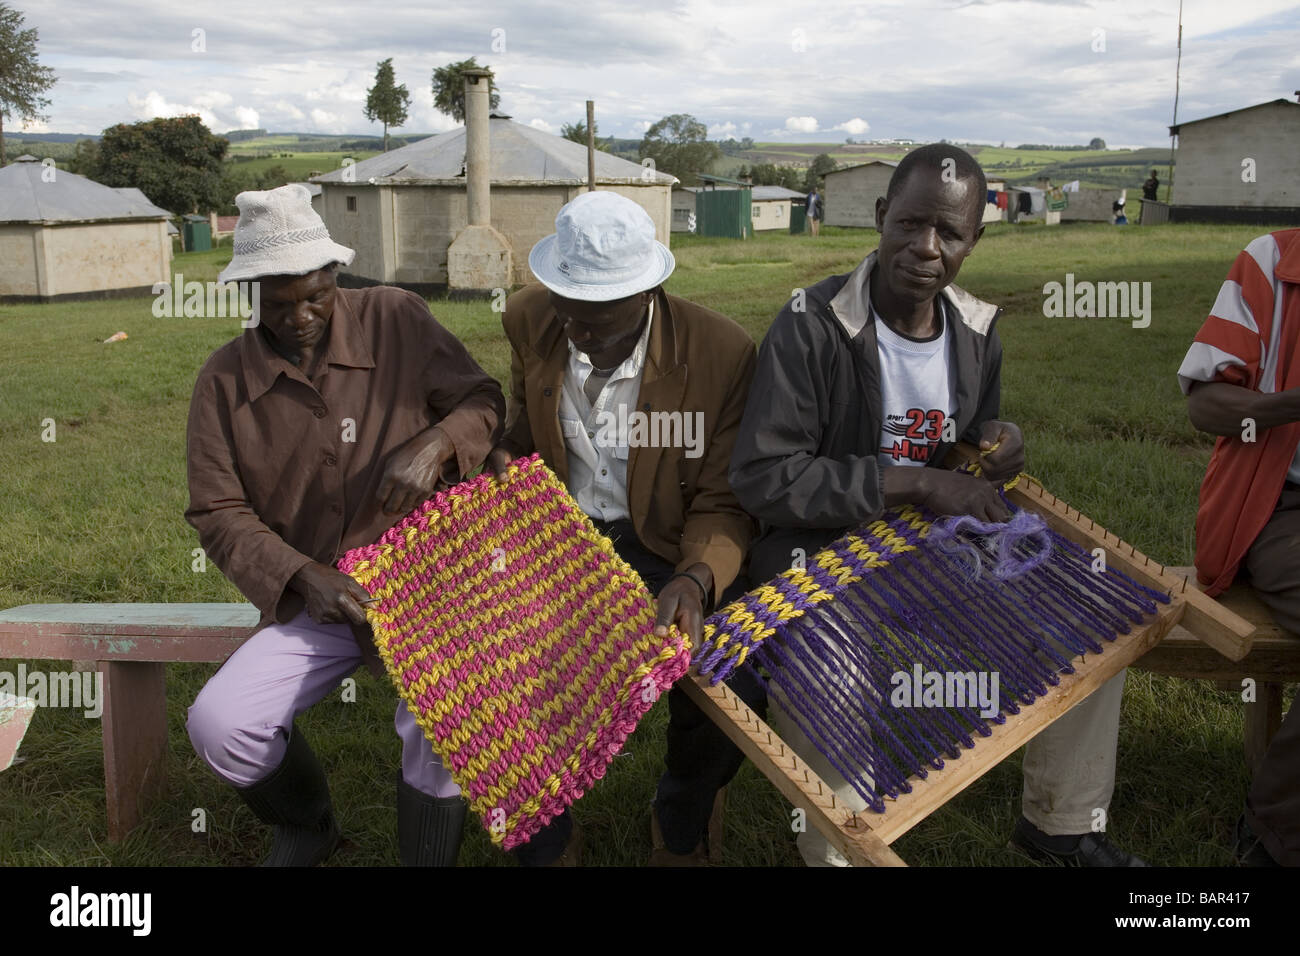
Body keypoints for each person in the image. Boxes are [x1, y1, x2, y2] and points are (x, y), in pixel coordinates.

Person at [729, 143, 1145, 867]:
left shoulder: (977, 334)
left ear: (973, 241)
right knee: (832, 675)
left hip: (931, 553)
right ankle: (843, 854)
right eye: (912, 224)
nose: (926, 248)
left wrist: (998, 449)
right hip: (817, 558)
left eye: (949, 234)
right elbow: (767, 476)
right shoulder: (811, 322)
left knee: (1089, 622)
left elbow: (963, 466)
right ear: (883, 216)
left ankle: (1063, 825)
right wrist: (916, 482)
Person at [184, 184, 505, 867]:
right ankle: (309, 824)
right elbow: (216, 511)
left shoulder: (397, 318)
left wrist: (437, 444)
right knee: (220, 724)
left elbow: (481, 399)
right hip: (320, 597)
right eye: (277, 305)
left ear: (335, 276)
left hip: (431, 582)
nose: (299, 318)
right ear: (248, 295)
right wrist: (303, 575)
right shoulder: (223, 383)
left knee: (441, 712)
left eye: (314, 297)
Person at [487, 190, 763, 865]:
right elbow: (527, 429)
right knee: (496, 662)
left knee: (731, 678)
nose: (580, 334)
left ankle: (680, 819)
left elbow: (724, 499)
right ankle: (546, 839)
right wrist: (502, 457)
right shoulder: (529, 319)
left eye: (601, 321)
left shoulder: (722, 353)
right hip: (559, 539)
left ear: (649, 295)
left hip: (666, 547)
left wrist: (696, 579)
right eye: (569, 314)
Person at [1178, 228, 1300, 867]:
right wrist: (1293, 406)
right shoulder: (1274, 262)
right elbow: (1206, 405)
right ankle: (1276, 838)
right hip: (1281, 505)